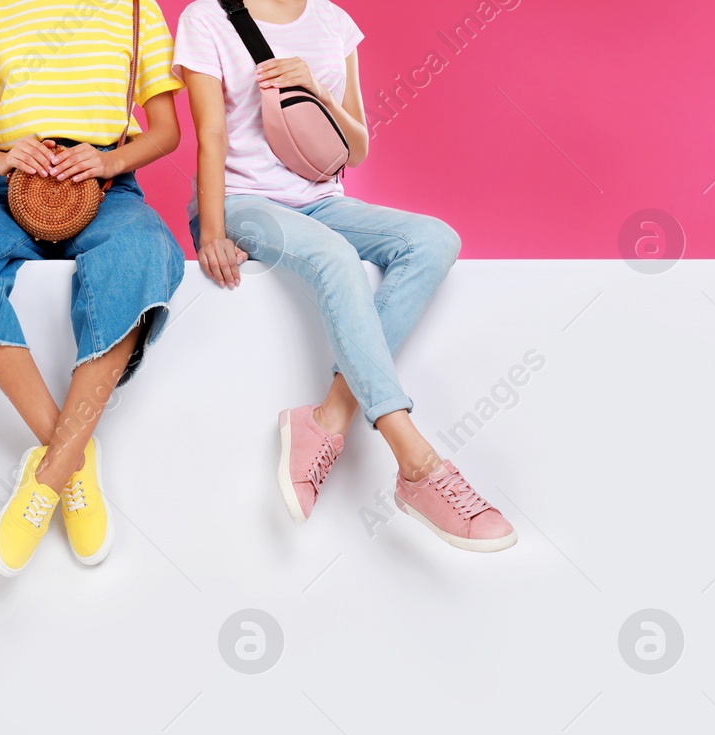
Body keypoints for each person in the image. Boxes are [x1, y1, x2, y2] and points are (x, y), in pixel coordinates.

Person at [175, 0, 516, 551]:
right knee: (335, 256)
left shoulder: (334, 22)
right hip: (244, 202)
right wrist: (212, 230)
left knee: (433, 239)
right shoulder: (208, 17)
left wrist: (315, 88)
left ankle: (330, 415)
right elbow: (210, 134)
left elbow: (355, 149)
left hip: (322, 203)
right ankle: (418, 463)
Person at [0, 0, 187, 578]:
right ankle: (70, 459)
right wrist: (0, 155)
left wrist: (109, 160)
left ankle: (44, 483)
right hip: (8, 193)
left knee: (143, 251)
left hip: (107, 189)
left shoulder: (137, 10)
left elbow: (166, 131)